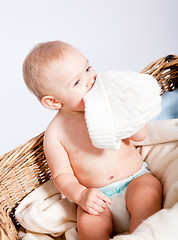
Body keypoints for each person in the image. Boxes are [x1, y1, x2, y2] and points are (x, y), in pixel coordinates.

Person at [23, 41, 162, 240]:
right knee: (90, 228)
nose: (90, 80)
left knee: (148, 198)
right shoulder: (55, 134)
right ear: (54, 101)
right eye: (77, 82)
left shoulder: (109, 105)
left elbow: (139, 136)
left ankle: (139, 236)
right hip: (96, 197)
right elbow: (62, 175)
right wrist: (81, 195)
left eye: (88, 68)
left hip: (136, 180)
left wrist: (131, 117)